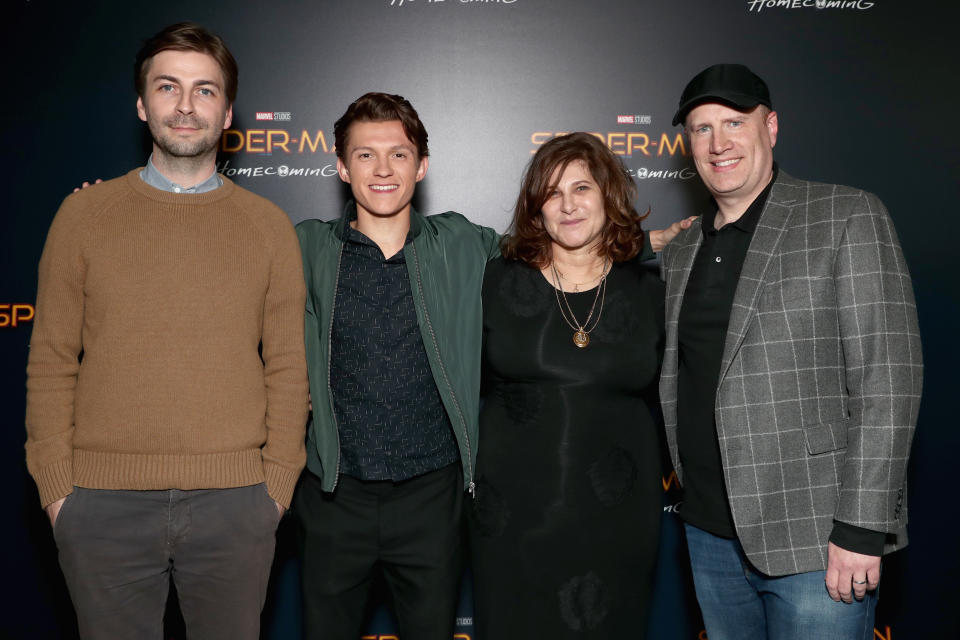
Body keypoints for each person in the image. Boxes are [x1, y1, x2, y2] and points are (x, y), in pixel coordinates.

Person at [294, 94, 686, 639]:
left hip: (432, 497)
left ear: (422, 165)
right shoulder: (303, 247)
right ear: (341, 166)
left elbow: (562, 247)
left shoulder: (459, 245)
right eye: (365, 155)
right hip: (335, 497)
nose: (383, 170)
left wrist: (648, 240)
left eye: (399, 155)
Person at [24, 22, 309, 640]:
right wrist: (57, 491)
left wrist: (276, 489)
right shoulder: (84, 215)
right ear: (142, 103)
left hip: (236, 503)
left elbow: (288, 366)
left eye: (204, 90)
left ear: (227, 110)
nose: (185, 105)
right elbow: (51, 359)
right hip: (99, 504)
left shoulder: (267, 227)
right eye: (168, 87)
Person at [659, 63, 922, 639]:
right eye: (701, 129)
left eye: (733, 122)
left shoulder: (844, 215)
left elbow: (889, 380)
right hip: (707, 535)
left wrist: (859, 529)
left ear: (771, 127)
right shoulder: (680, 253)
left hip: (817, 538)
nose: (718, 143)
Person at [467, 132, 664, 638]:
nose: (568, 205)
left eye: (582, 189)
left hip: (618, 520)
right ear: (536, 209)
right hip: (513, 521)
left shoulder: (653, 292)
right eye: (552, 193)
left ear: (608, 196)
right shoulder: (494, 283)